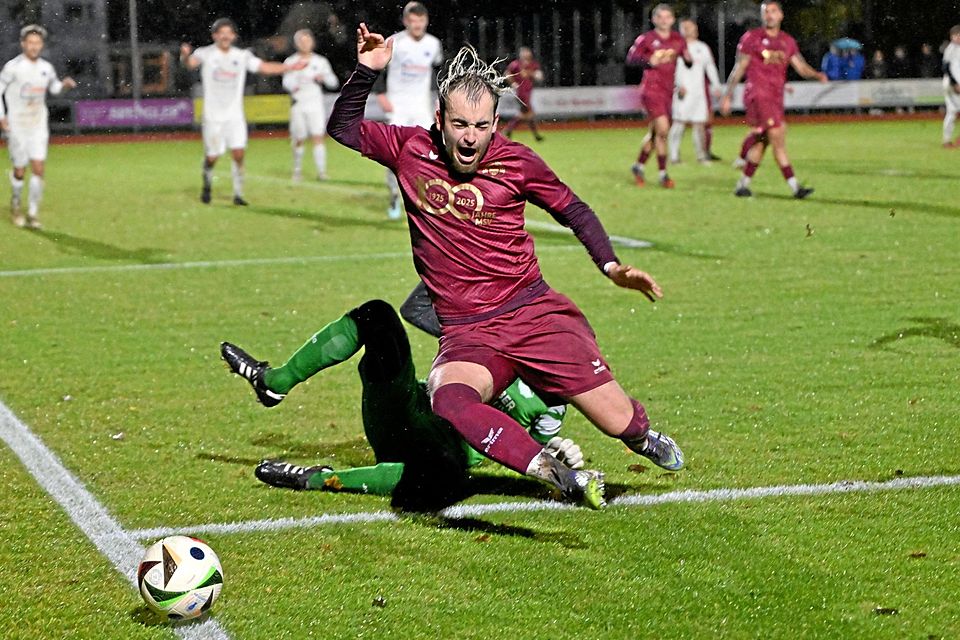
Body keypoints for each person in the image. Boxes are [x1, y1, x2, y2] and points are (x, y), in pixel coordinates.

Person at [327, 25, 687, 509]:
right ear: (440, 119)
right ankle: (553, 471)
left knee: (618, 421)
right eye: (459, 125)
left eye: (480, 126)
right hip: (467, 332)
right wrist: (367, 71)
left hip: (533, 314)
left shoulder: (518, 161)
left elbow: (573, 210)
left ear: (495, 123)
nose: (470, 138)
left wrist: (611, 265)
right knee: (448, 398)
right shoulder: (409, 148)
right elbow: (343, 129)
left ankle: (642, 436)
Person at [220, 299, 586, 511]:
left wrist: (556, 460)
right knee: (378, 317)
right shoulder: (496, 334)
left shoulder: (554, 402)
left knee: (450, 477)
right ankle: (273, 383)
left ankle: (314, 478)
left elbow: (531, 452)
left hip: (444, 452)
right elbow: (416, 307)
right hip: (407, 407)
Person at [180, 18, 306, 206]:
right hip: (214, 116)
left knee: (238, 154)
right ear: (214, 35)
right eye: (220, 32)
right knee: (213, 156)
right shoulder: (205, 53)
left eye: (228, 32)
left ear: (233, 36)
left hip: (234, 115)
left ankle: (238, 194)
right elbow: (190, 64)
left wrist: (288, 67)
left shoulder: (242, 56)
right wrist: (184, 56)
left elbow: (264, 67)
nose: (224, 36)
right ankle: (207, 181)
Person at [720, 1, 827, 199]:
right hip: (758, 95)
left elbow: (801, 68)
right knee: (778, 138)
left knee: (763, 142)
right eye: (766, 12)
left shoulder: (787, 41)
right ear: (762, 17)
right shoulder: (752, 38)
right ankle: (796, 188)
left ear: (781, 16)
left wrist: (817, 75)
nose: (769, 15)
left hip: (775, 97)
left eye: (773, 11)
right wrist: (727, 95)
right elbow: (740, 67)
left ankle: (742, 185)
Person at [0, 25, 76, 229]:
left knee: (39, 168)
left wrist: (64, 86)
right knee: (19, 169)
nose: (34, 46)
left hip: (38, 125)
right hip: (17, 124)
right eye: (30, 43)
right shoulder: (12, 67)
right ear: (23, 44)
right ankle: (16, 203)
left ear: (41, 45)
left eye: (37, 43)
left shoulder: (46, 68)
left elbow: (54, 88)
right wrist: (2, 116)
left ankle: (33, 213)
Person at [374, 1, 443, 219]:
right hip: (398, 107)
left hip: (421, 107)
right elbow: (377, 67)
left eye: (421, 21)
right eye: (413, 21)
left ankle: (422, 197)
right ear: (406, 21)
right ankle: (394, 193)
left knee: (426, 152)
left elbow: (438, 72)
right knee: (395, 153)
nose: (417, 25)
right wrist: (380, 93)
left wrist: (438, 101)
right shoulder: (394, 42)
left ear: (426, 21)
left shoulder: (433, 44)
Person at [626, 3, 690, 188]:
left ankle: (638, 166)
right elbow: (631, 60)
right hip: (651, 90)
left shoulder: (678, 39)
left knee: (655, 134)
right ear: (654, 20)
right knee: (663, 130)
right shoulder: (646, 39)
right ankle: (663, 174)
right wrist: (648, 61)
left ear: (672, 20)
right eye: (660, 17)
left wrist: (688, 61)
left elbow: (686, 60)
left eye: (667, 17)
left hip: (668, 91)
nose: (664, 20)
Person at [282, 29, 339, 182]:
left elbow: (334, 82)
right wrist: (293, 85)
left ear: (312, 42)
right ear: (296, 44)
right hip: (298, 104)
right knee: (298, 138)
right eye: (301, 41)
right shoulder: (290, 62)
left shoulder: (320, 62)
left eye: (307, 40)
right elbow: (286, 81)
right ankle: (297, 170)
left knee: (318, 137)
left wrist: (324, 78)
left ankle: (321, 172)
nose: (305, 44)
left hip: (315, 105)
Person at [668, 18, 721, 165]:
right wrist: (678, 85)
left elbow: (709, 67)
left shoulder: (702, 48)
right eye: (685, 27)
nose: (688, 29)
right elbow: (671, 70)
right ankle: (674, 157)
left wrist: (716, 85)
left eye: (690, 27)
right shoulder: (675, 47)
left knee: (699, 124)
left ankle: (701, 156)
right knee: (679, 123)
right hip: (683, 92)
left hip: (699, 93)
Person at [502, 46, 545, 141]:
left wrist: (532, 74)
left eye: (527, 52)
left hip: (528, 92)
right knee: (529, 113)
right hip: (521, 93)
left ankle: (510, 130)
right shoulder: (516, 64)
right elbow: (507, 73)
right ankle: (508, 130)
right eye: (524, 53)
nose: (526, 54)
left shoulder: (533, 64)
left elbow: (539, 76)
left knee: (525, 114)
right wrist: (513, 83)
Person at [941, 26, 960, 148]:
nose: (958, 37)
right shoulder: (951, 49)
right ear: (951, 36)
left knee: (952, 112)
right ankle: (947, 141)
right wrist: (954, 84)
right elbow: (945, 68)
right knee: (952, 111)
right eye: (956, 35)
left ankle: (949, 140)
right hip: (951, 85)